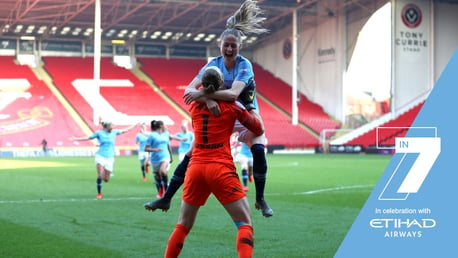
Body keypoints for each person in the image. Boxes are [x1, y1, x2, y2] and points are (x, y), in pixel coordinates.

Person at [144, 0, 273, 217]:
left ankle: (260, 198)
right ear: (219, 44)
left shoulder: (244, 65)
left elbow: (232, 96)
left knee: (258, 149)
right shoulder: (213, 63)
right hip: (221, 114)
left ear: (240, 47)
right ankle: (166, 198)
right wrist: (208, 100)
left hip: (244, 113)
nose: (230, 49)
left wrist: (205, 95)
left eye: (234, 45)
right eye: (226, 45)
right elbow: (188, 90)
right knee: (191, 154)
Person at [163, 65, 264, 258]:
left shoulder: (193, 104)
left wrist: (208, 97)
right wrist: (253, 110)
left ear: (203, 84)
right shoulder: (232, 107)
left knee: (183, 224)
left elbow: (195, 94)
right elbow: (257, 129)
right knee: (244, 223)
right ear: (221, 84)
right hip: (220, 167)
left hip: (196, 168)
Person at [72, 120, 138, 199]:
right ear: (107, 126)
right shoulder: (99, 133)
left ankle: (103, 173)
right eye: (111, 126)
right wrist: (76, 139)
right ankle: (99, 193)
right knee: (100, 175)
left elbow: (125, 130)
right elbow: (88, 138)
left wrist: (134, 125)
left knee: (106, 179)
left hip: (110, 157)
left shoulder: (114, 132)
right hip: (100, 156)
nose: (113, 127)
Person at [144, 120, 179, 198]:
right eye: (164, 124)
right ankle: (161, 190)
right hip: (155, 159)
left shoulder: (166, 134)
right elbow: (146, 148)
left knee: (162, 171)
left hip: (165, 157)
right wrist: (155, 150)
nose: (165, 126)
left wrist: (171, 156)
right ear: (161, 126)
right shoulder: (152, 135)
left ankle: (167, 191)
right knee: (157, 176)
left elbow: (169, 144)